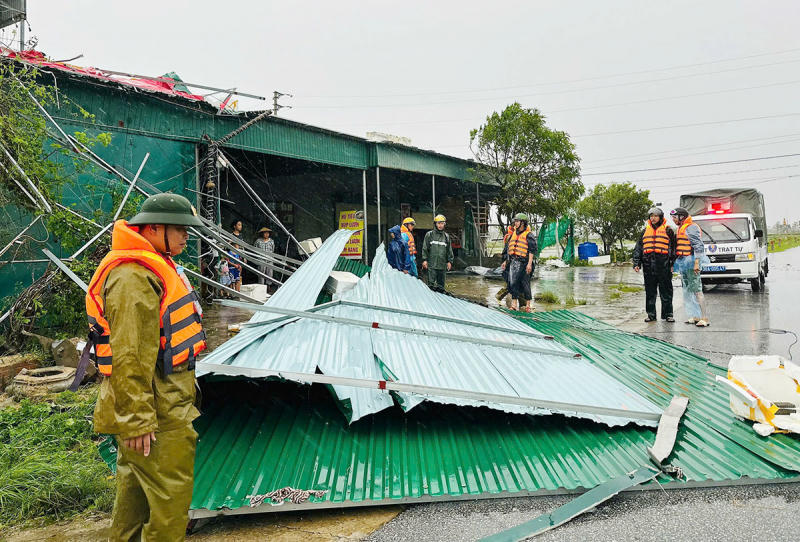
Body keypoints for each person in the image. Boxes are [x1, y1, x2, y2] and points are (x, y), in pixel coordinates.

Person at [86, 193, 206, 540]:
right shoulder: (133, 276)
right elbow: (130, 354)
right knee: (170, 501)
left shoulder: (150, 265)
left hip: (157, 402)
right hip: (157, 409)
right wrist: (138, 421)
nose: (186, 236)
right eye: (180, 229)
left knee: (134, 498)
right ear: (153, 228)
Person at [633, 207, 676, 323]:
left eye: (656, 216)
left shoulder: (668, 230)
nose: (653, 218)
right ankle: (651, 315)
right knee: (650, 292)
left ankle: (668, 314)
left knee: (666, 291)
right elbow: (638, 248)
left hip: (664, 265)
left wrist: (672, 263)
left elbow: (673, 248)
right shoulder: (644, 231)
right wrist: (636, 263)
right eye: (651, 216)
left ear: (660, 217)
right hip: (648, 265)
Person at [671, 207, 710, 327]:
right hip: (683, 262)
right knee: (688, 290)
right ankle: (695, 316)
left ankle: (704, 318)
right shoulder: (680, 228)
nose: (673, 219)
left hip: (692, 261)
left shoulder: (691, 227)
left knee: (697, 290)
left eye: (675, 217)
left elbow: (698, 245)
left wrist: (697, 262)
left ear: (681, 217)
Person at [501, 213, 537, 312]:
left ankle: (528, 305)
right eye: (515, 221)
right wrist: (506, 262)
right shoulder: (513, 235)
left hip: (525, 262)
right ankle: (514, 305)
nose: (515, 223)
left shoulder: (528, 235)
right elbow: (509, 250)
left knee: (525, 283)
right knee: (513, 282)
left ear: (523, 223)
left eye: (517, 221)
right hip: (514, 262)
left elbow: (532, 251)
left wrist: (529, 264)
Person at [422, 214, 454, 291]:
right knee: (431, 285)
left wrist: (449, 261)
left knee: (441, 287)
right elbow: (425, 248)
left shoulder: (446, 236)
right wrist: (424, 260)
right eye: (438, 223)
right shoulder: (429, 235)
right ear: (435, 224)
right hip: (432, 265)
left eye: (442, 223)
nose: (440, 225)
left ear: (444, 224)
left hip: (442, 265)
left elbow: (449, 250)